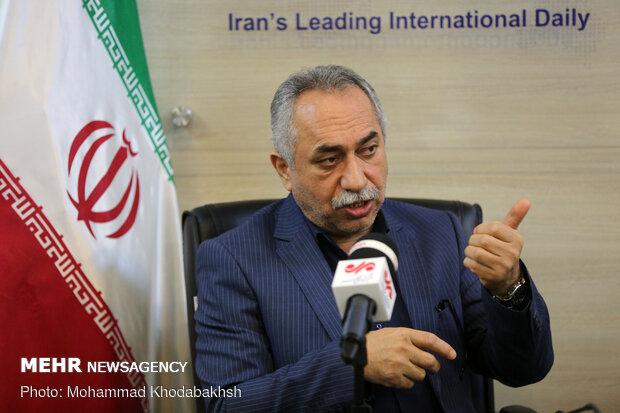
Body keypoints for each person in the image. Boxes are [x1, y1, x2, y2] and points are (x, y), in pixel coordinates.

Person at [194, 65, 553, 412]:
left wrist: (509, 288)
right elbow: (226, 403)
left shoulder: (440, 232)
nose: (356, 179)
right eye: (329, 159)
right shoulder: (233, 259)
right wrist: (352, 366)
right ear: (284, 169)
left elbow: (524, 369)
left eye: (368, 151)